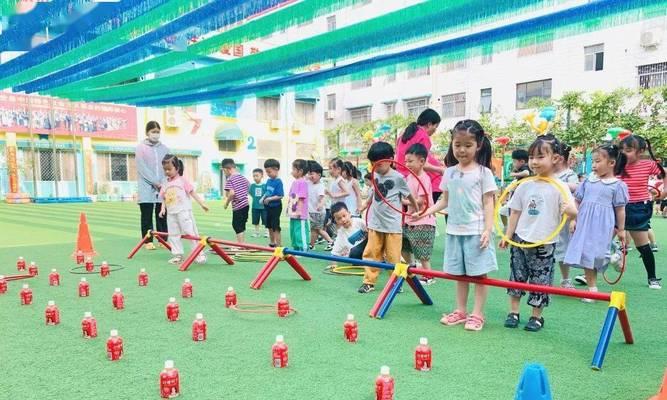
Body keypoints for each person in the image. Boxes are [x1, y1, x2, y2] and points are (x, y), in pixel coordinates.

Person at [418, 120, 497, 331]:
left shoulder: (483, 173)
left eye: (467, 145)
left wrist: (488, 230)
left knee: (479, 275)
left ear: (478, 144)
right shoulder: (450, 172)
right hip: (455, 231)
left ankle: (477, 314)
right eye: (457, 144)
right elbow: (444, 201)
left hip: (476, 231)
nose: (462, 150)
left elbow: (489, 203)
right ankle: (461, 311)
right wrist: (426, 211)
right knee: (460, 275)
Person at [500, 134, 578, 332]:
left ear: (555, 159)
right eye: (531, 157)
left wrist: (571, 213)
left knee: (540, 280)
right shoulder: (525, 184)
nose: (534, 161)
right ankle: (514, 312)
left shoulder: (560, 186)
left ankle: (536, 316)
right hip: (521, 238)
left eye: (540, 157)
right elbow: (515, 211)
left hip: (544, 242)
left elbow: (571, 211)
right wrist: (508, 235)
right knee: (517, 275)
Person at [565, 145, 628, 302]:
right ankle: (592, 290)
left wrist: (621, 230)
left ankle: (613, 257)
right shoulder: (588, 181)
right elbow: (577, 201)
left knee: (599, 254)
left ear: (611, 163)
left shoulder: (617, 185)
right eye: (593, 161)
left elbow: (620, 210)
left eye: (598, 161)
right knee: (587, 254)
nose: (594, 165)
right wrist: (573, 219)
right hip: (584, 223)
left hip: (602, 225)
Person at [359, 142, 417, 294]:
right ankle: (368, 282)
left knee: (393, 257)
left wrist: (416, 209)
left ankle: (395, 282)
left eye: (378, 163)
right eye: (373, 164)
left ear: (391, 160)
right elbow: (374, 191)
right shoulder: (375, 174)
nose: (375, 167)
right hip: (375, 224)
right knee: (371, 254)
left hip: (392, 225)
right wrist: (365, 204)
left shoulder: (398, 178)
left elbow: (408, 195)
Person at [618, 135, 666, 289]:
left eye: (629, 150)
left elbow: (664, 173)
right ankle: (588, 276)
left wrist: (663, 192)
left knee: (643, 246)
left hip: (638, 208)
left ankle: (652, 278)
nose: (624, 153)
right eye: (622, 150)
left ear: (641, 151)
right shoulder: (617, 165)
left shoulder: (647, 165)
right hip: (618, 207)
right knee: (602, 242)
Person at [158, 154, 209, 265]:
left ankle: (198, 254)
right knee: (173, 234)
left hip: (184, 211)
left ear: (177, 168)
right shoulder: (165, 183)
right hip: (171, 213)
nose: (167, 172)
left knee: (190, 232)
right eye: (165, 170)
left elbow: (192, 193)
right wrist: (162, 209)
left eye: (169, 169)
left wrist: (202, 204)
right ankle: (178, 255)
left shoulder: (182, 181)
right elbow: (164, 197)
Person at [401, 143, 436, 286]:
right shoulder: (409, 177)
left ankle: (429, 276)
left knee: (422, 252)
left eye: (410, 161)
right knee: (404, 247)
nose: (406, 164)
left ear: (422, 161)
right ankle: (412, 269)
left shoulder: (424, 179)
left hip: (423, 221)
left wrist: (403, 201)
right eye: (405, 161)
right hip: (410, 220)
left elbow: (422, 200)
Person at [395, 108, 445, 203]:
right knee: (425, 207)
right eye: (436, 126)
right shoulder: (423, 136)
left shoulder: (405, 134)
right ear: (429, 124)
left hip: (403, 177)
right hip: (415, 177)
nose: (435, 130)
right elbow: (423, 164)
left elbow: (397, 159)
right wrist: (441, 170)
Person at [136, 121, 169, 249]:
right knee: (146, 213)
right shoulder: (140, 148)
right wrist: (155, 182)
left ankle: (162, 239)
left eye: (157, 132)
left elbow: (168, 166)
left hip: (162, 184)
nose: (155, 134)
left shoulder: (164, 148)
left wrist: (162, 182)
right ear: (147, 133)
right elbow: (142, 167)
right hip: (146, 184)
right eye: (153, 132)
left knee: (162, 212)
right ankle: (148, 240)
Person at [553, 143, 579, 289]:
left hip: (564, 217)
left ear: (559, 158)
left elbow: (576, 187)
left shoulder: (569, 175)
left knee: (563, 247)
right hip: (548, 215)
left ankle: (565, 279)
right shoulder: (547, 173)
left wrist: (556, 184)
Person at [500, 149, 531, 226]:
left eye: (514, 161)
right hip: (517, 195)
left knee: (511, 212)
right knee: (503, 211)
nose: (513, 164)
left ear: (522, 162)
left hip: (521, 196)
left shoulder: (525, 167)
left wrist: (514, 174)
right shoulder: (520, 169)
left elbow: (526, 173)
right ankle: (507, 227)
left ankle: (508, 227)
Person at [307, 161, 334, 250]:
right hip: (312, 211)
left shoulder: (320, 186)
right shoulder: (309, 183)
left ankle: (330, 241)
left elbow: (323, 198)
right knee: (315, 229)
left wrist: (320, 205)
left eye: (312, 174)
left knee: (318, 230)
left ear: (319, 175)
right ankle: (312, 244)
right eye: (309, 174)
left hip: (318, 212)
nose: (310, 176)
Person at [222, 159, 250, 243]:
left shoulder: (230, 179)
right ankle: (242, 244)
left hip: (238, 206)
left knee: (237, 225)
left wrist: (226, 203)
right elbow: (249, 186)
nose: (224, 173)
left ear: (227, 169)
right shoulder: (242, 177)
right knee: (242, 225)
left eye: (224, 171)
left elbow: (231, 193)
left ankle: (240, 245)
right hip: (246, 204)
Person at [288, 159, 310, 252]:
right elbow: (292, 197)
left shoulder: (302, 182)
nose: (291, 171)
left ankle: (303, 249)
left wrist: (298, 211)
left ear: (300, 171)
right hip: (293, 212)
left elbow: (301, 198)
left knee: (300, 231)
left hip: (300, 214)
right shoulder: (295, 182)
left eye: (293, 169)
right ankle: (296, 248)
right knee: (293, 231)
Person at [262, 159, 284, 247]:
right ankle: (272, 243)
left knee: (275, 226)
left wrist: (270, 199)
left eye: (269, 172)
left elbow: (280, 195)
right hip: (268, 207)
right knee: (269, 225)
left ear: (276, 169)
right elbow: (267, 192)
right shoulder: (268, 181)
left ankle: (279, 246)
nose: (268, 174)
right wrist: (263, 198)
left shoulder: (278, 182)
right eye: (266, 172)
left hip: (276, 207)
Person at [249, 168, 268, 238]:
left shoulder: (265, 186)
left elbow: (267, 194)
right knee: (255, 220)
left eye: (257, 176)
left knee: (265, 220)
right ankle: (257, 232)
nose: (255, 177)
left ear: (262, 176)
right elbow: (251, 193)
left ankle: (266, 232)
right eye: (254, 176)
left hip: (264, 207)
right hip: (255, 206)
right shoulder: (252, 186)